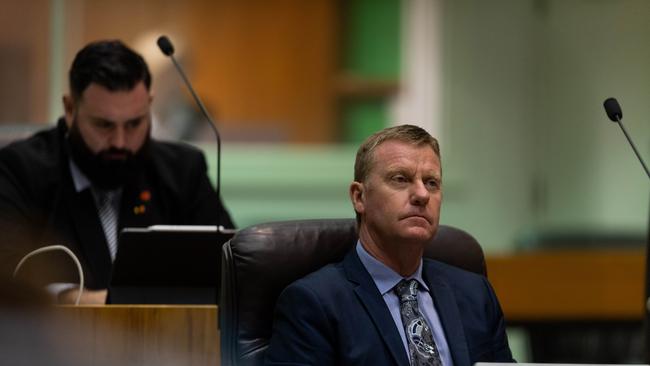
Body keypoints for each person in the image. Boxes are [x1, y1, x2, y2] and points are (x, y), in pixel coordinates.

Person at [0, 40, 234, 304]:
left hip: (166, 340)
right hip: (56, 341)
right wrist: (70, 299)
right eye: (104, 125)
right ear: (69, 109)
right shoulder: (20, 170)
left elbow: (233, 270)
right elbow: (5, 278)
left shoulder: (182, 172)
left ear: (149, 105)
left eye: (134, 124)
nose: (120, 143)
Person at [265, 125, 514, 366]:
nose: (422, 195)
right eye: (401, 179)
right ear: (359, 197)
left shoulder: (475, 295)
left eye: (431, 183)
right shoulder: (313, 303)